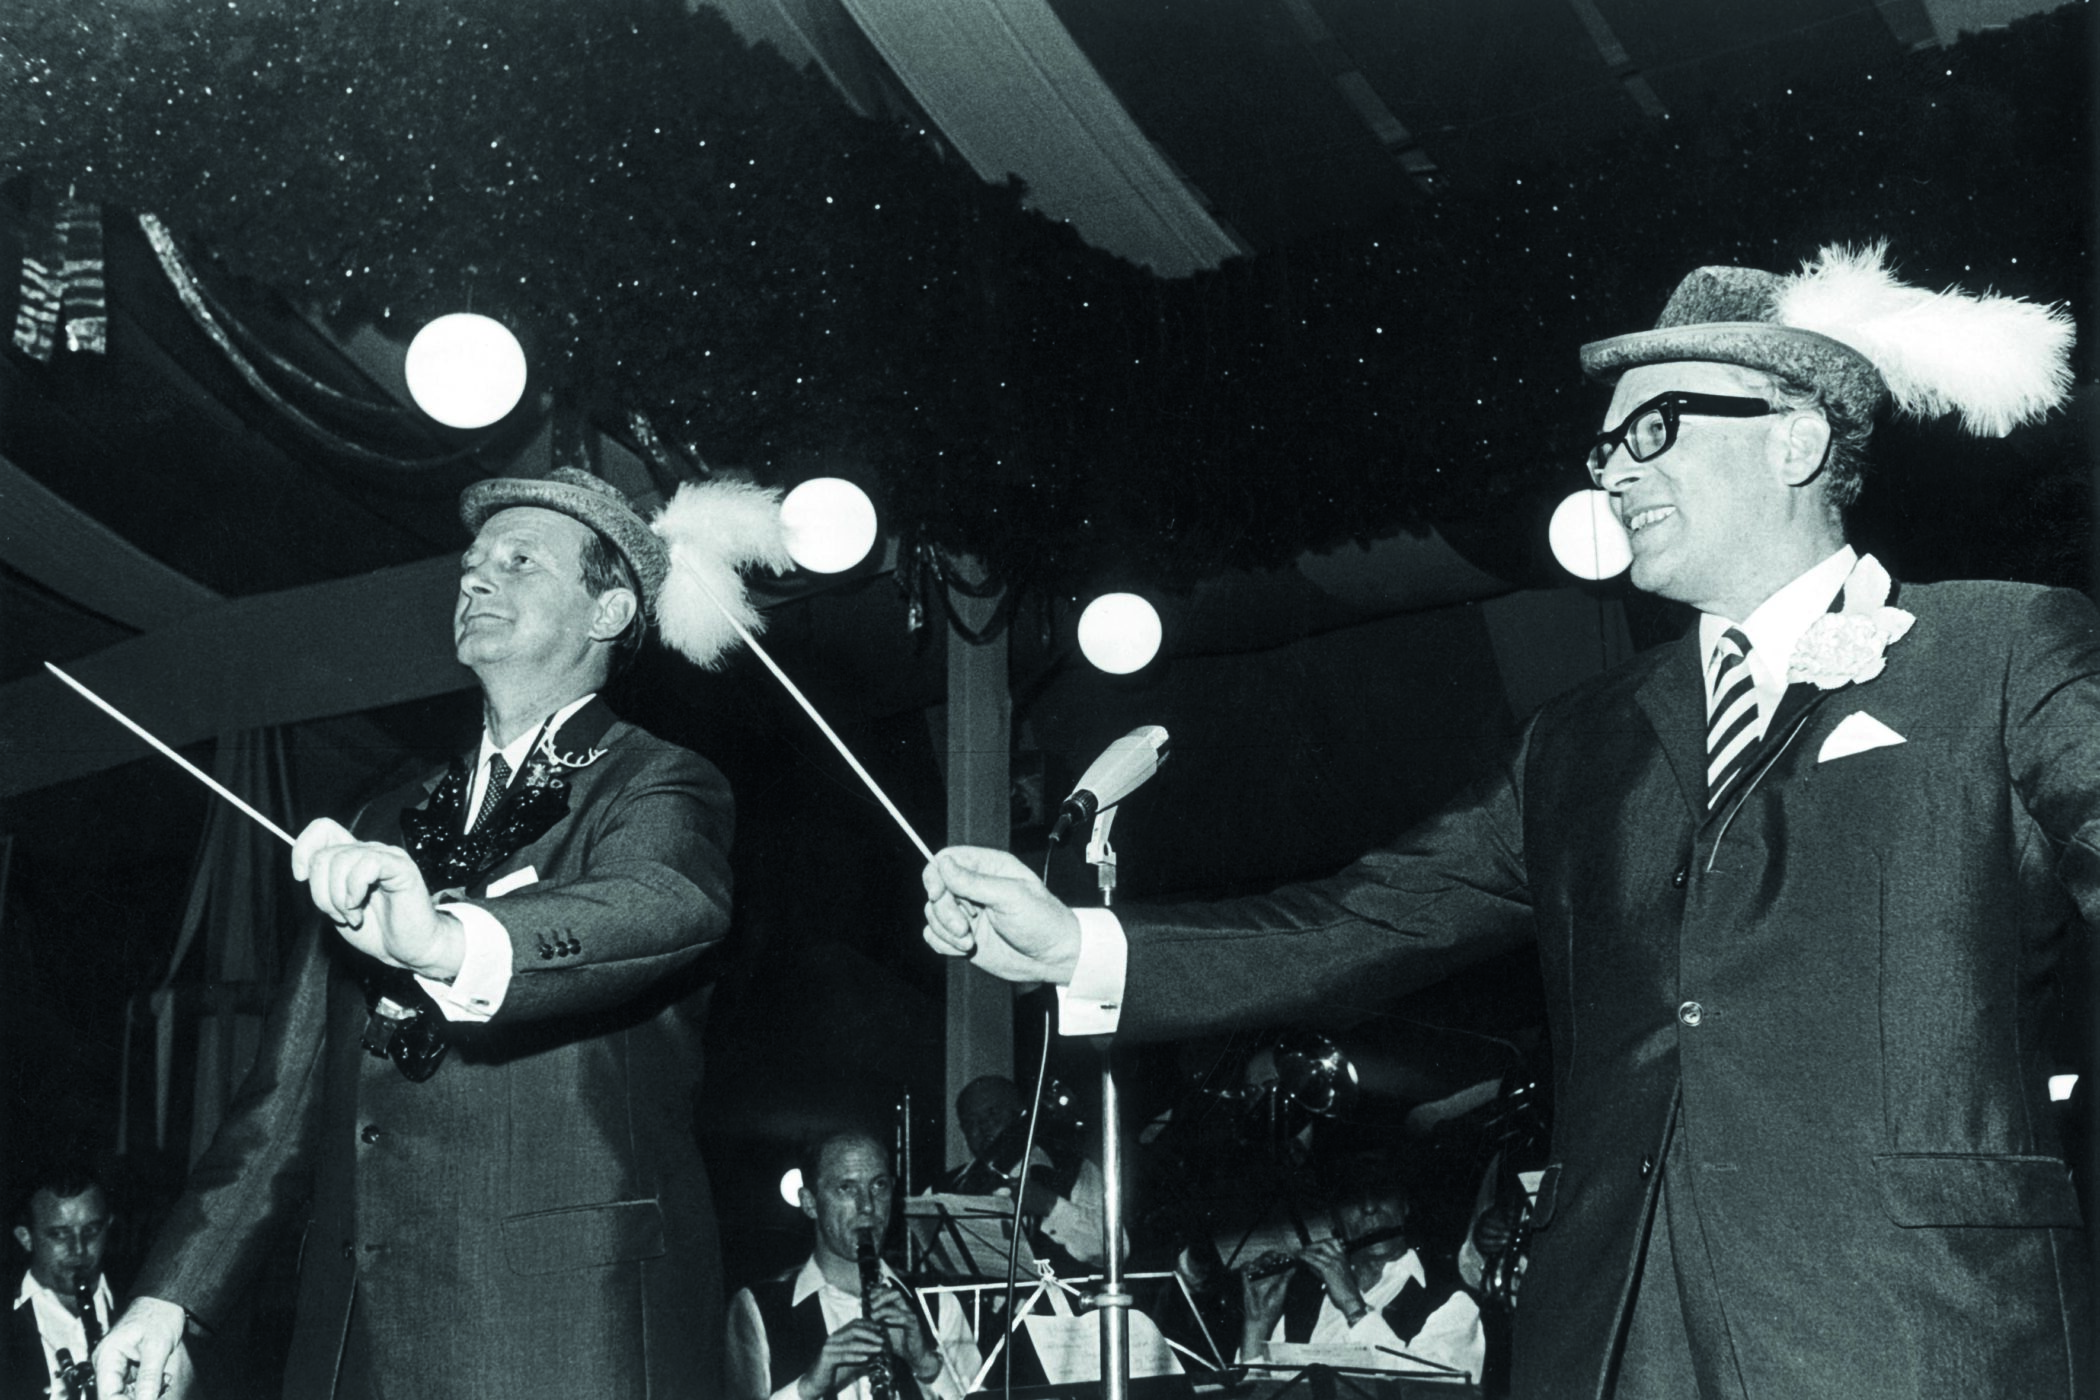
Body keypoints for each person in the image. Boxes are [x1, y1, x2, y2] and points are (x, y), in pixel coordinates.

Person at [922, 245, 2090, 1398]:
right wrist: (1081, 943)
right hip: (1621, 1328)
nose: (1615, 473)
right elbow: (1362, 917)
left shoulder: (1998, 651)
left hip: (1916, 1324)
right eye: (1604, 446)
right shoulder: (1581, 739)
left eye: (1655, 427)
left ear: (1795, 439)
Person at [96, 467, 745, 1399]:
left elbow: (660, 901)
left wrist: (446, 942)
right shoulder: (386, 818)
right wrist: (173, 1298)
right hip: (359, 1335)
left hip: (565, 1332)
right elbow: (287, 1096)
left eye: (520, 562)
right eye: (472, 564)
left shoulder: (655, 784)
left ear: (608, 612)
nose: (476, 579)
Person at [727, 1129, 981, 1400]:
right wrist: (809, 1388)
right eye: (846, 1188)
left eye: (879, 1185)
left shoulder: (937, 1302)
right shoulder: (760, 1307)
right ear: (810, 1203)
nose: (867, 1206)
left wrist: (926, 1365)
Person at [1239, 1170, 1483, 1383]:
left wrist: (1354, 1308)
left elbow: (1434, 1391)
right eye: (1351, 1199)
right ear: (1332, 1218)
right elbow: (1265, 1392)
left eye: (1381, 1192)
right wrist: (1256, 1325)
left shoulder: (1452, 1303)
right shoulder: (1304, 1304)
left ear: (1405, 1205)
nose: (1369, 1208)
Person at [936, 1074, 1106, 1275]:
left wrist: (1050, 1206)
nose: (983, 1128)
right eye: (970, 1122)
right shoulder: (945, 1187)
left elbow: (1113, 1250)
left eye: (993, 1114)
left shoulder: (1074, 1170)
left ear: (1020, 1115)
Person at [7, 1166, 115, 1399]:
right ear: (26, 1238)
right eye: (59, 1234)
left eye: (92, 1230)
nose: (79, 1248)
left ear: (109, 1226)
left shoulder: (145, 1303)